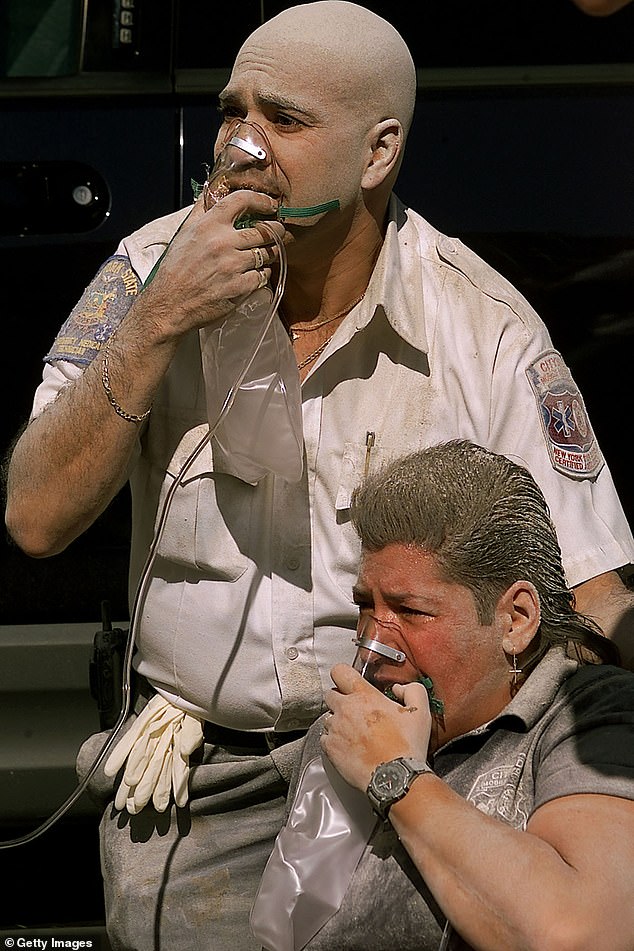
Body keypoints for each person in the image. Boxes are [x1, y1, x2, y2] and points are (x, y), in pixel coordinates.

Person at [3, 1, 634, 948]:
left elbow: (593, 596)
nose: (241, 147)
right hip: (195, 782)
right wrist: (156, 323)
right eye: (231, 111)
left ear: (378, 153)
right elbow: (34, 517)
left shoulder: (483, 328)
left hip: (404, 773)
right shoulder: (145, 272)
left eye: (284, 119)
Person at [255, 439, 634, 951]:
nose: (376, 641)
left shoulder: (587, 715)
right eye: (366, 605)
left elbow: (579, 933)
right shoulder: (346, 731)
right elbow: (285, 929)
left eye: (411, 612)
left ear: (515, 620)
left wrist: (395, 774)